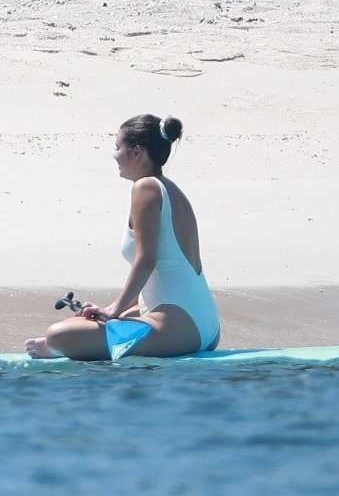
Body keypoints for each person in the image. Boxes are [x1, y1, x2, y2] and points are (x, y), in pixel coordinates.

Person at [27, 114, 220, 360]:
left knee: (58, 334)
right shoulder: (171, 189)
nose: (114, 155)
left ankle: (65, 347)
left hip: (180, 328)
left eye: (118, 147)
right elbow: (165, 279)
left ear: (137, 152)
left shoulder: (146, 188)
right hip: (206, 326)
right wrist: (113, 310)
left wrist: (113, 309)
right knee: (99, 320)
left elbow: (146, 260)